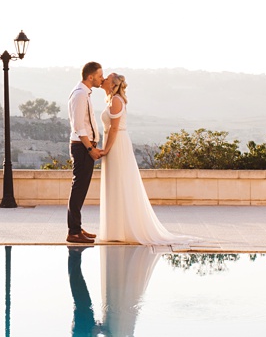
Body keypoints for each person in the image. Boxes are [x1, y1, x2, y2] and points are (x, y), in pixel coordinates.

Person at [95, 72, 199, 246]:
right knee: (115, 183)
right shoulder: (113, 100)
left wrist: (106, 149)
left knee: (120, 183)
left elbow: (113, 129)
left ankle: (123, 229)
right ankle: (116, 229)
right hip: (114, 142)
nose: (103, 79)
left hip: (116, 144)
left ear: (112, 85)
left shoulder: (116, 101)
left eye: (107, 78)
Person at [65, 61, 106, 244]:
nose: (101, 79)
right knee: (78, 189)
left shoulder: (84, 93)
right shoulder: (80, 94)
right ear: (90, 77)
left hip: (85, 146)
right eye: (99, 76)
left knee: (80, 190)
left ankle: (77, 227)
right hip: (82, 148)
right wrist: (90, 148)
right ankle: (73, 232)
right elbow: (78, 126)